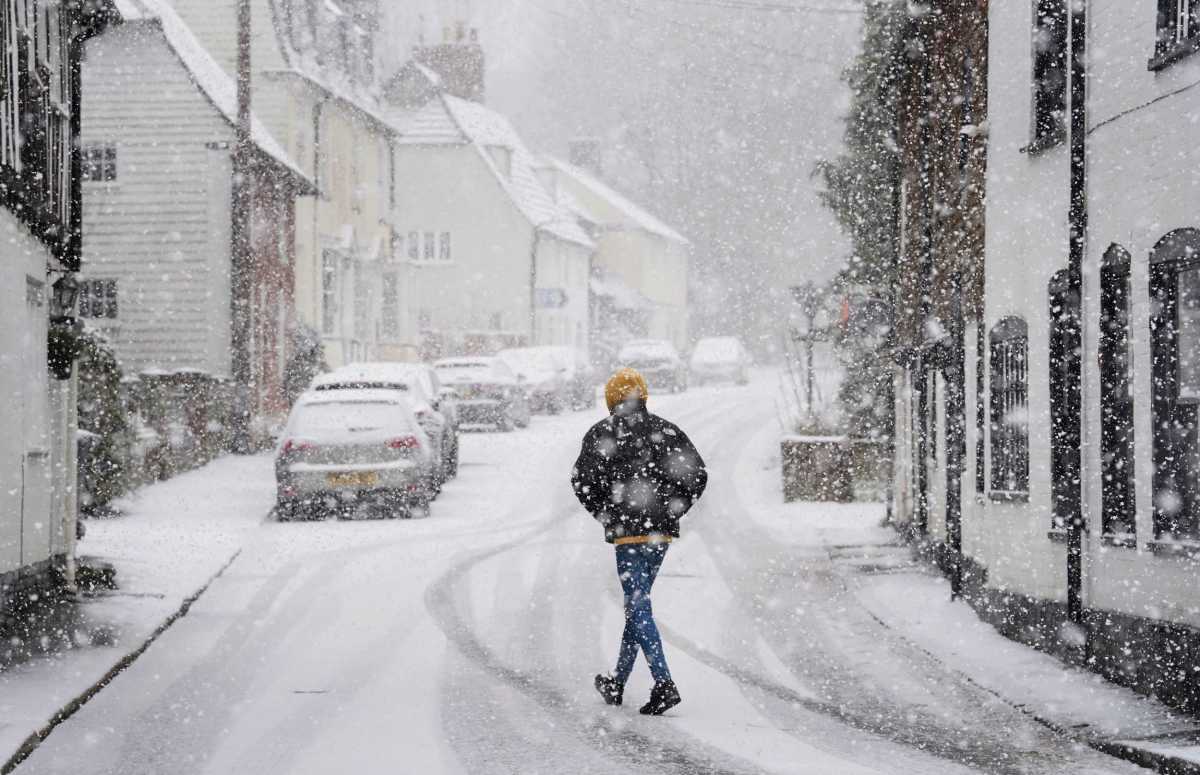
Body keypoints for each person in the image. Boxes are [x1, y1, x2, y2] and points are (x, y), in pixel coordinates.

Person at [571, 368, 708, 715]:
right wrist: (675, 509)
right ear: (643, 395)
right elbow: (697, 474)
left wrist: (606, 514)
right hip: (659, 533)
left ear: (611, 399)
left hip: (629, 535)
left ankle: (664, 682)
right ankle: (617, 680)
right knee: (638, 605)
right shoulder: (666, 431)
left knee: (637, 605)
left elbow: (581, 481)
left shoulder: (602, 433)